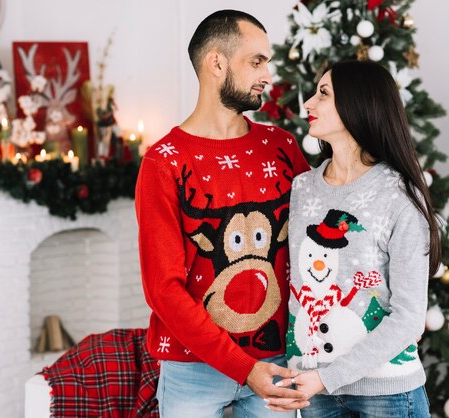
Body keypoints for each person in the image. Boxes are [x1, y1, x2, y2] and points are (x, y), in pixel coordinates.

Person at [135, 9, 311, 417]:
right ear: (217, 63)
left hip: (277, 364)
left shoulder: (282, 147)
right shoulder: (164, 162)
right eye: (256, 61)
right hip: (192, 368)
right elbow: (163, 289)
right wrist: (241, 367)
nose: (267, 74)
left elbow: (316, 239)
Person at [265, 59, 441, 417]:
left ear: (357, 104)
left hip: (386, 393)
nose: (308, 104)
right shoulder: (302, 188)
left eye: (323, 94)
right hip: (315, 392)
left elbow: (408, 318)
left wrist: (328, 377)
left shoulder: (399, 195)